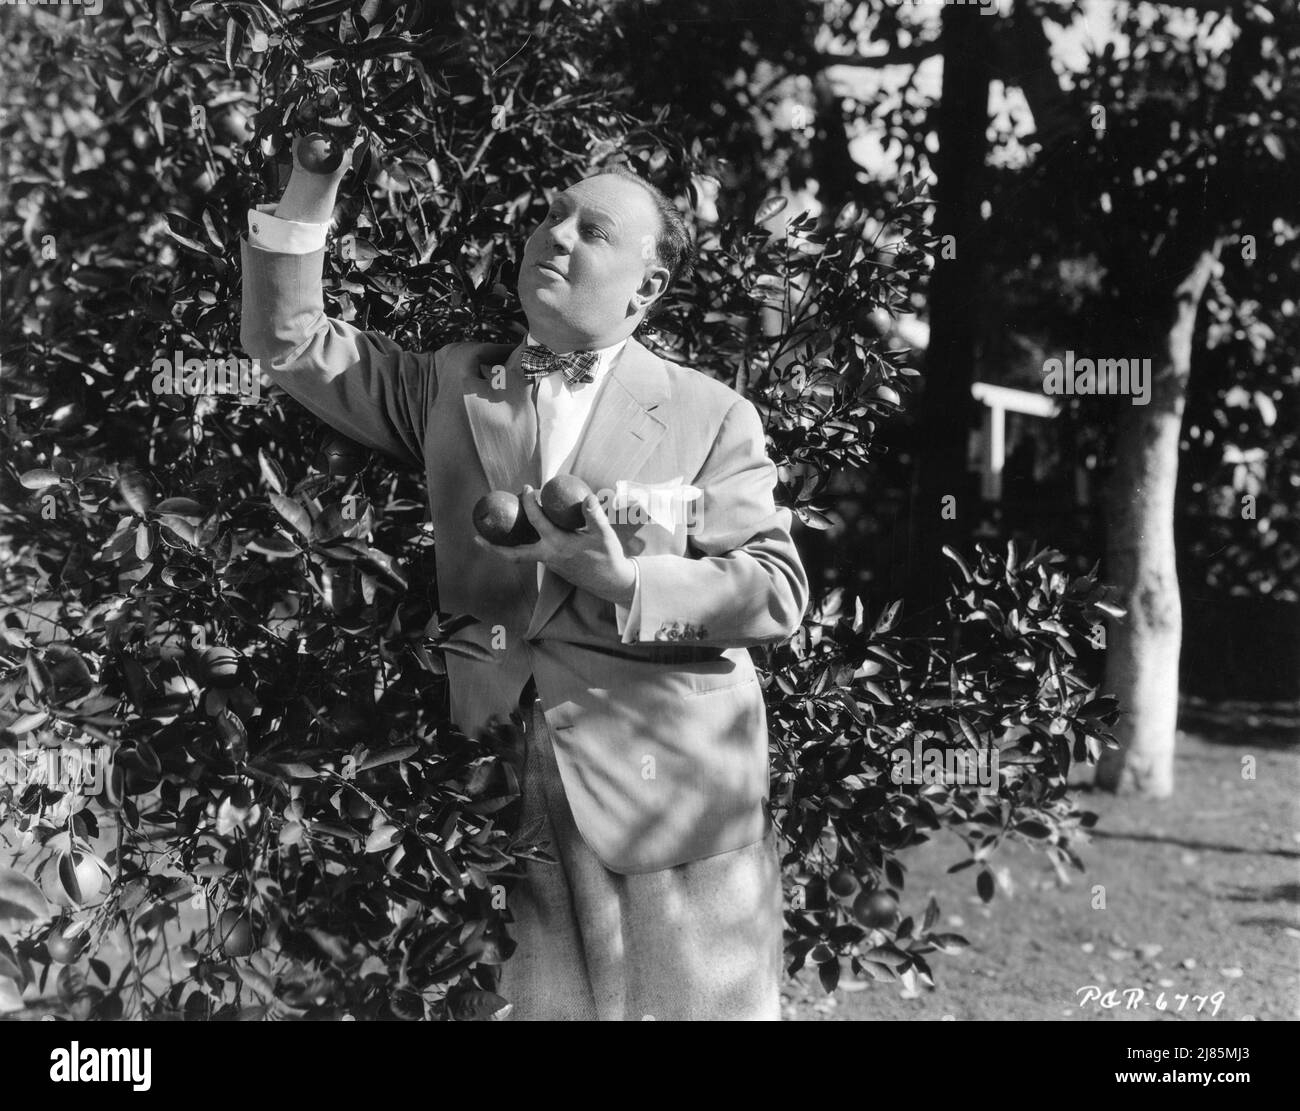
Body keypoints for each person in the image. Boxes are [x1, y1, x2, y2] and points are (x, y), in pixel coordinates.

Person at [238, 135, 810, 1021]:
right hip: (502, 783)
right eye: (551, 214)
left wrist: (627, 582)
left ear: (646, 288)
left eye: (594, 230)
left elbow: (777, 591)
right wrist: (313, 177)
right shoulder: (453, 383)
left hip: (675, 799)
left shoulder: (711, 413)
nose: (558, 234)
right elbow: (289, 341)